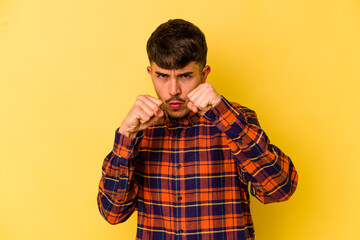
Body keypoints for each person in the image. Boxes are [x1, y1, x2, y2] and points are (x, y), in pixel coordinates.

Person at [97, 19, 298, 240]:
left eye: (185, 76)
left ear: (204, 74)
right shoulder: (139, 131)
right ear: (150, 72)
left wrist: (225, 117)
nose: (173, 90)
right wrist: (125, 137)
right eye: (162, 76)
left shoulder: (236, 120)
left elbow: (281, 189)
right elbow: (112, 213)